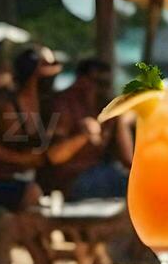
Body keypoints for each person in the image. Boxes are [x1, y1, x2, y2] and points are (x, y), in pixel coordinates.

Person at [0, 46, 85, 264]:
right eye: (48, 66)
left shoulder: (47, 106)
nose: (55, 71)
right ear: (34, 73)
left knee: (28, 220)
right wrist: (32, 159)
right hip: (1, 184)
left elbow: (52, 154)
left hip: (29, 185)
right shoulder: (8, 107)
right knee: (28, 215)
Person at [43, 59, 131, 201]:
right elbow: (54, 156)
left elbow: (127, 159)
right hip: (70, 180)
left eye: (107, 83)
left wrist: (121, 118)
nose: (103, 88)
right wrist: (84, 136)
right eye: (98, 82)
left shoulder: (107, 106)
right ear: (81, 80)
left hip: (99, 174)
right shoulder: (63, 104)